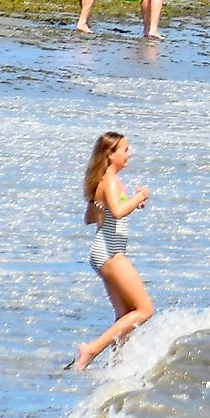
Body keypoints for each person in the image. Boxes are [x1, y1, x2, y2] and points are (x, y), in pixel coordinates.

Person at [70, 131, 155, 372]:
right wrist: (140, 195)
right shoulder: (108, 180)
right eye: (125, 150)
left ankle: (117, 366)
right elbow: (117, 212)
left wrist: (130, 203)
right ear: (110, 155)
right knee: (145, 310)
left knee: (125, 315)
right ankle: (92, 350)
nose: (130, 154)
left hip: (103, 252)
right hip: (110, 253)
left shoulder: (105, 180)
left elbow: (90, 218)